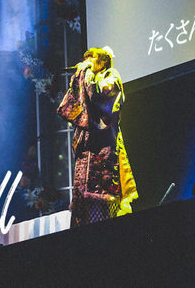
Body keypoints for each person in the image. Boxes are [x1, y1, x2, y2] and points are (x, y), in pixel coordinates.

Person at [58, 46, 138, 226]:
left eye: (91, 58)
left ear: (102, 61)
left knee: (101, 204)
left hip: (103, 148)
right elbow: (70, 108)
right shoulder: (88, 77)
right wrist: (77, 80)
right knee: (83, 207)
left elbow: (99, 99)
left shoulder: (111, 76)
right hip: (86, 151)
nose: (86, 61)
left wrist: (86, 75)